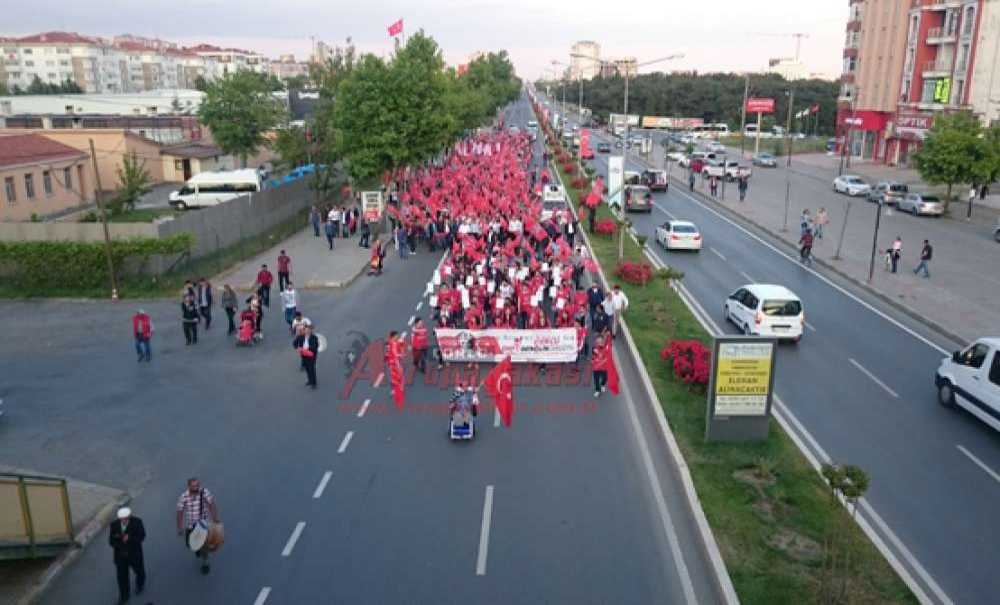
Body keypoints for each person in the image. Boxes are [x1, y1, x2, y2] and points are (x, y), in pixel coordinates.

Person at [176, 478, 219, 575]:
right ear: (189, 486)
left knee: (203, 546)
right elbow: (179, 512)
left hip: (203, 525)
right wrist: (179, 527)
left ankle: (205, 563)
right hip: (191, 526)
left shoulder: (204, 492)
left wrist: (215, 518)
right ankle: (197, 548)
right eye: (193, 486)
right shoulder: (183, 497)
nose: (196, 488)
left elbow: (211, 505)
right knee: (190, 544)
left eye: (197, 485)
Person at [109, 506, 145, 604]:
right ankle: (124, 596)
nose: (123, 521)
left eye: (125, 519)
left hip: (134, 554)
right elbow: (111, 541)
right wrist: (120, 543)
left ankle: (140, 584)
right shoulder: (114, 525)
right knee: (122, 577)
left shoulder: (137, 522)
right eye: (122, 519)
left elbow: (142, 536)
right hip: (120, 556)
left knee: (139, 571)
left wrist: (130, 539)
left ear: (129, 517)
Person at [299, 322, 319, 388]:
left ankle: (314, 383)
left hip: (311, 356)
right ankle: (310, 381)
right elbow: (296, 343)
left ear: (311, 331)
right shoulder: (302, 337)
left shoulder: (314, 338)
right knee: (307, 369)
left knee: (311, 370)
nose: (307, 331)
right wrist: (298, 348)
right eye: (306, 330)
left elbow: (315, 347)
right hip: (304, 356)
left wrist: (308, 348)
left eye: (308, 330)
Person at [591, 332, 609, 397]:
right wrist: (593, 360)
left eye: (600, 341)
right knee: (596, 380)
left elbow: (607, 356)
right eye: (598, 342)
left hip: (604, 367)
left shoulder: (606, 347)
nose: (599, 343)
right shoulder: (594, 348)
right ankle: (597, 390)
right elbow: (594, 355)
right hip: (596, 368)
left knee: (605, 378)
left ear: (603, 341)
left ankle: (602, 385)